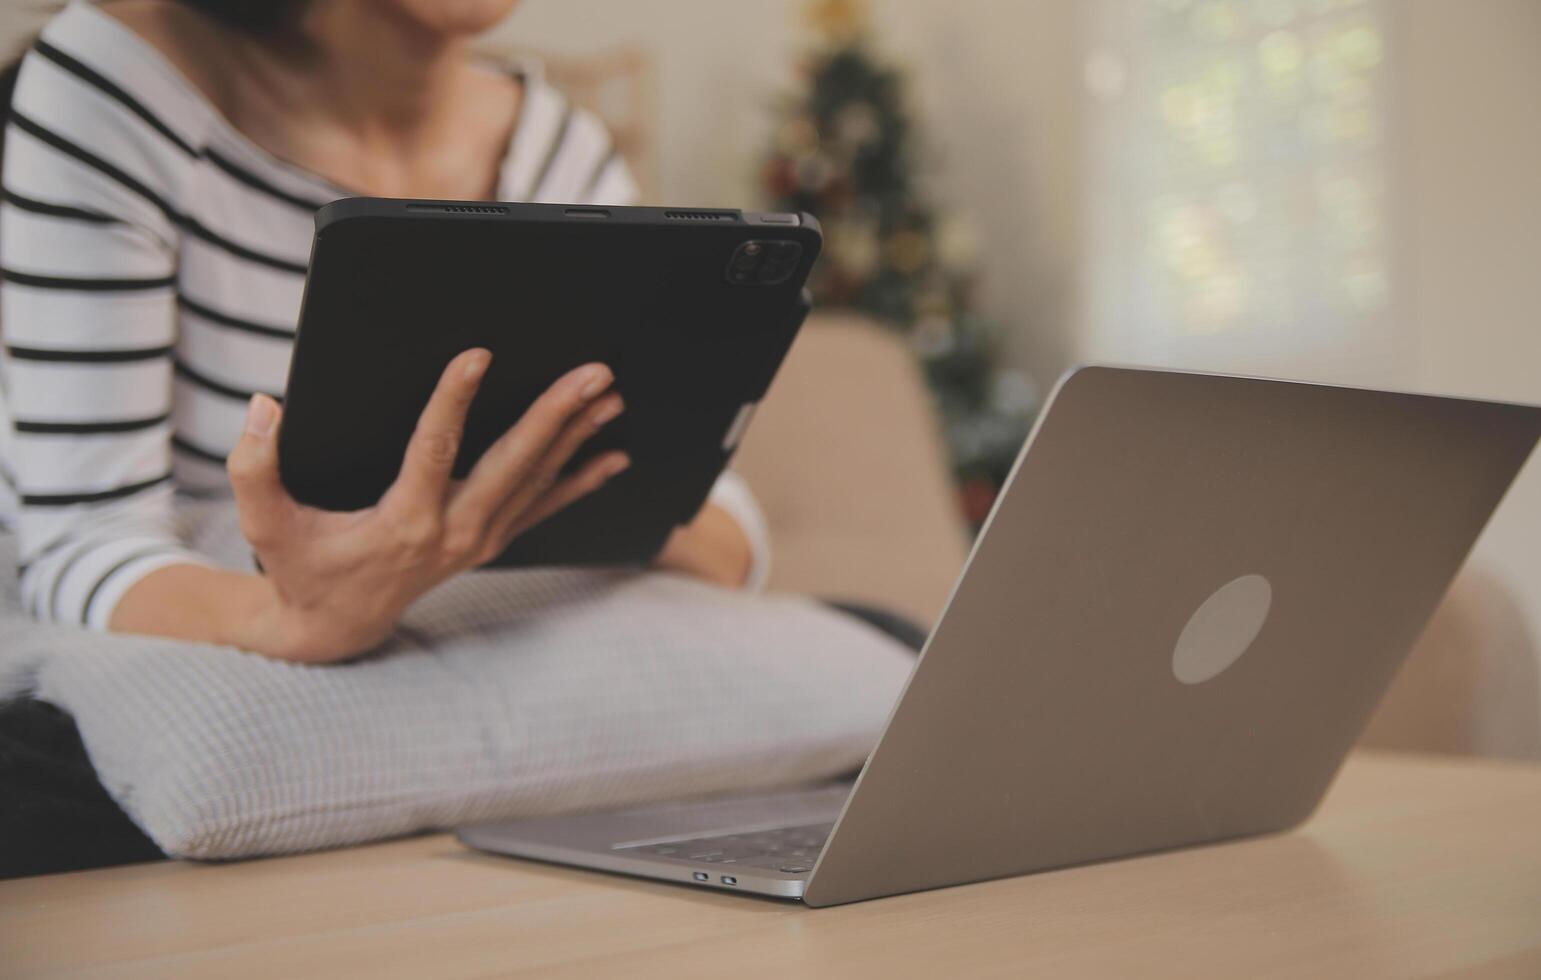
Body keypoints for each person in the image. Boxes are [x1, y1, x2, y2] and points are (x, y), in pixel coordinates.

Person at [0, 0, 925, 879]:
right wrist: (295, 621)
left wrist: (523, 503)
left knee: (894, 648)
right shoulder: (113, 84)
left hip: (496, 618)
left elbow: (720, 532)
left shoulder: (557, 145)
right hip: (225, 619)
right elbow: (81, 541)